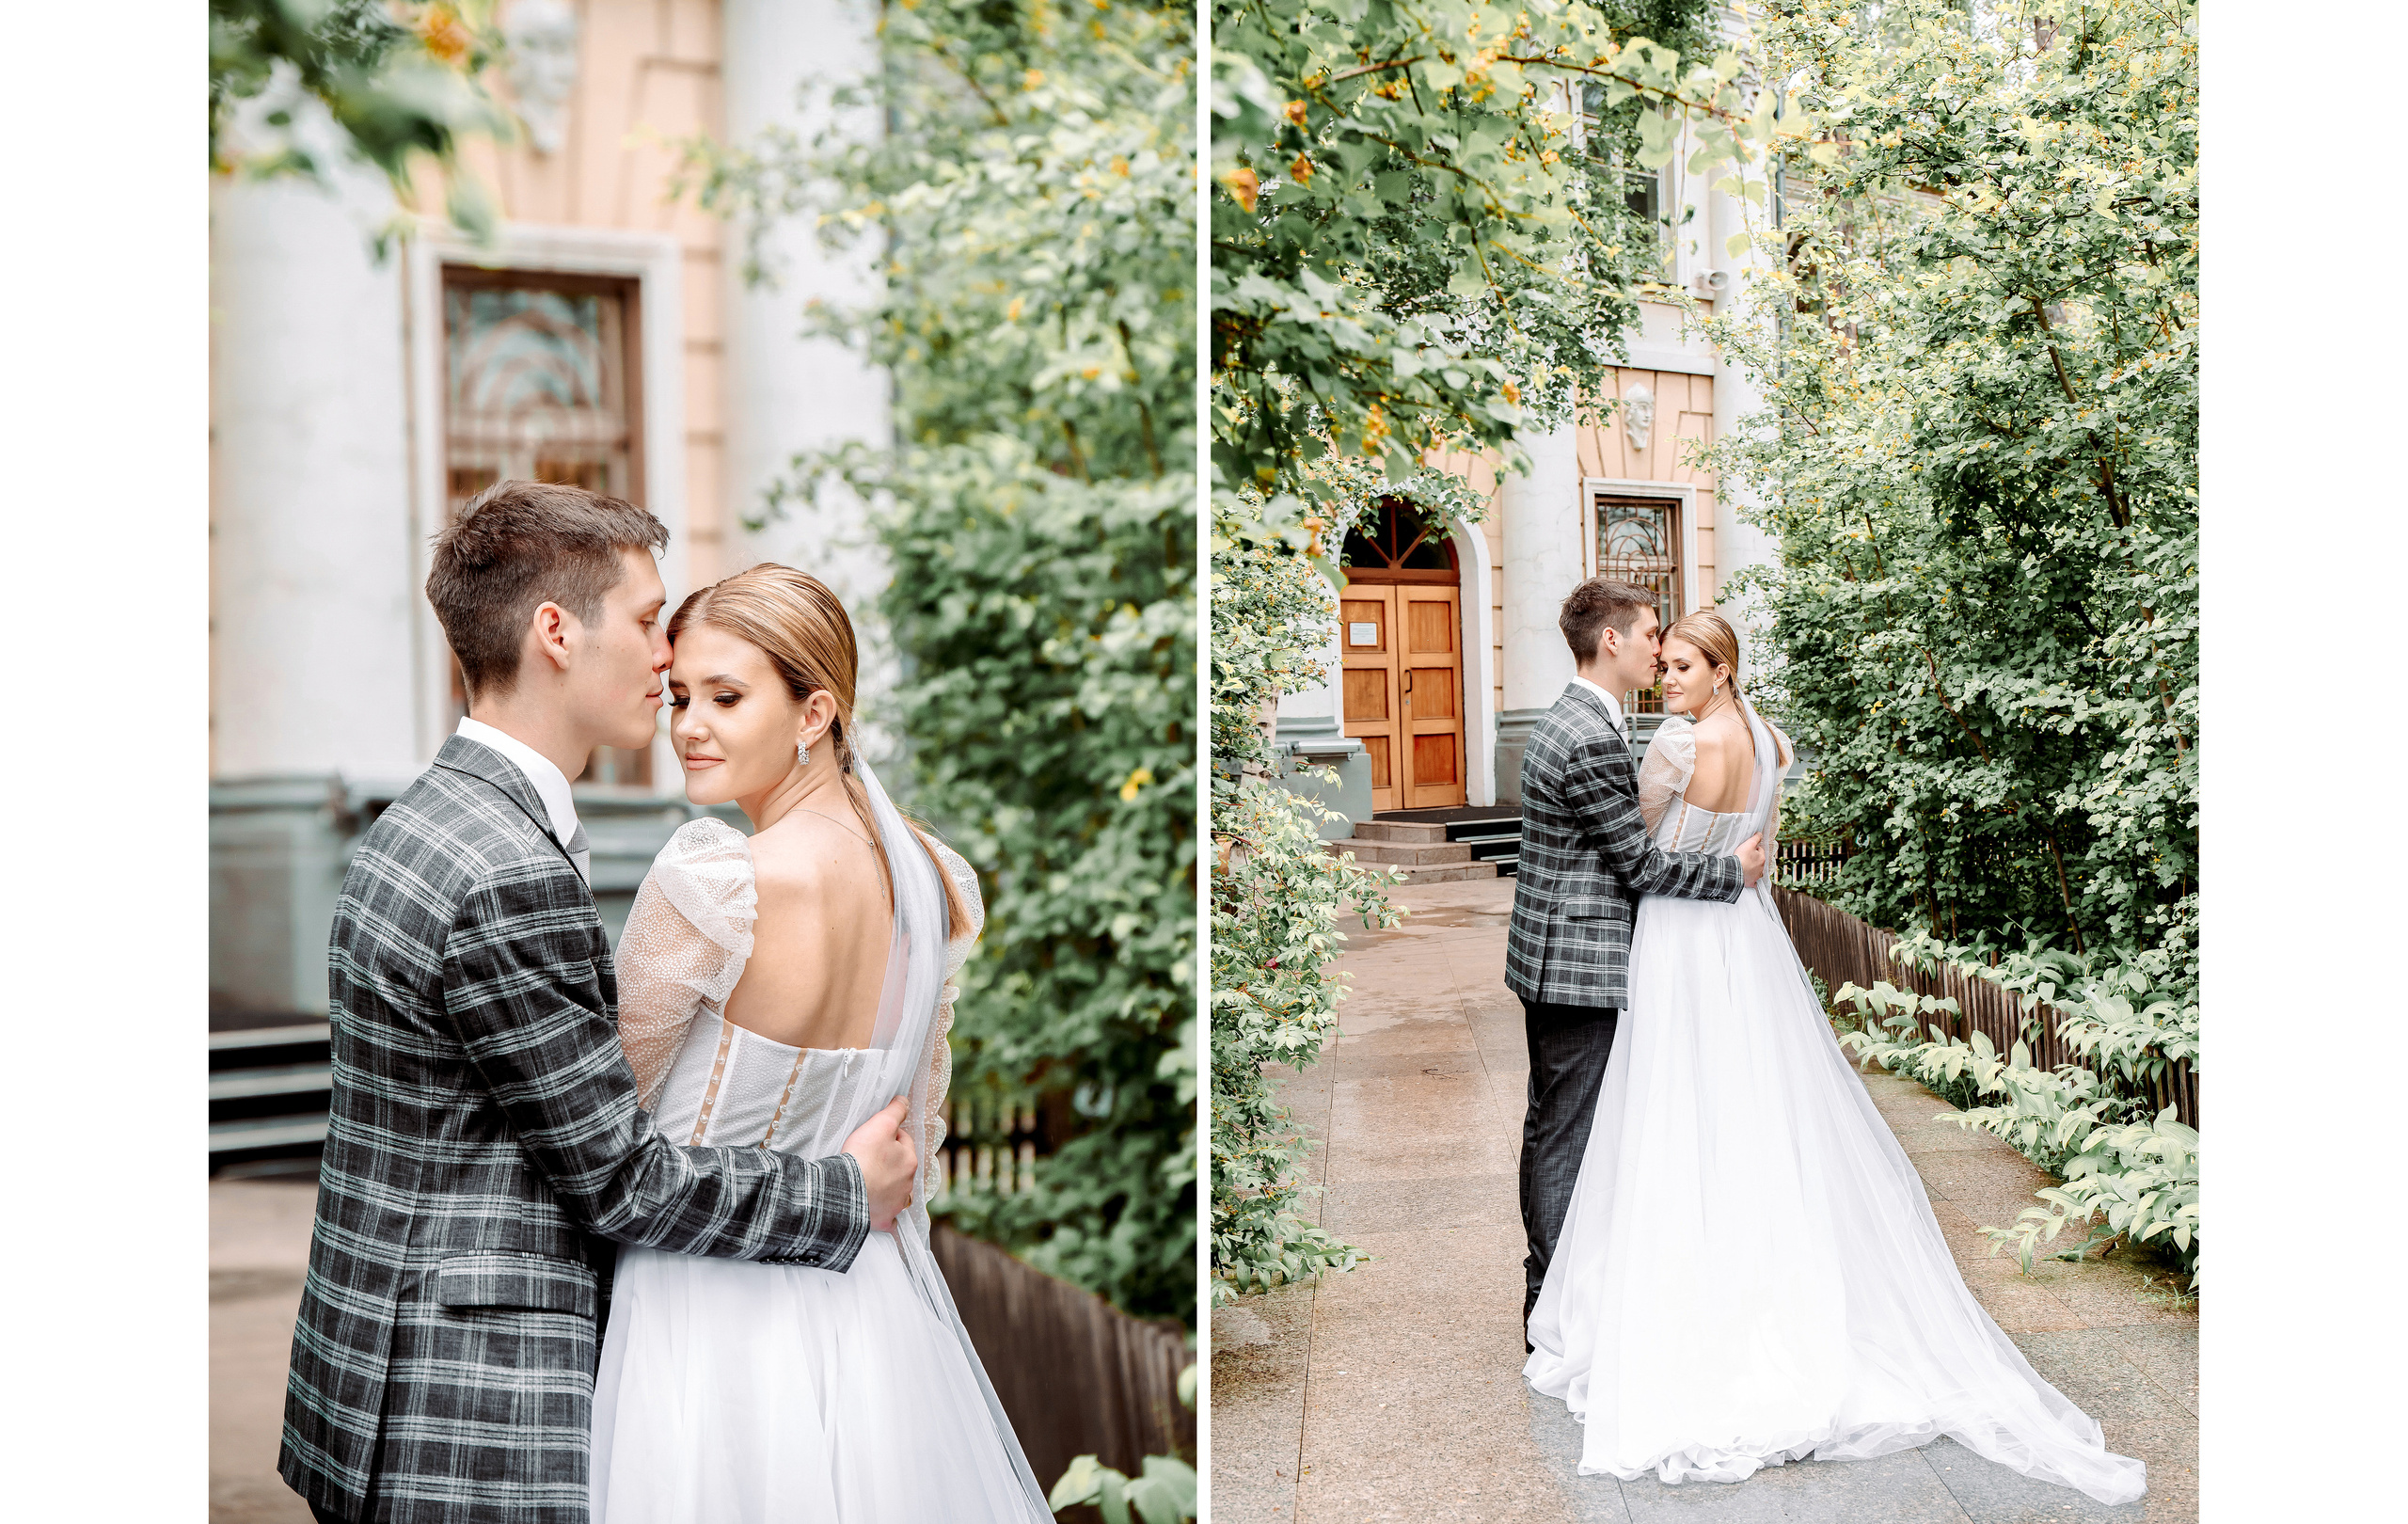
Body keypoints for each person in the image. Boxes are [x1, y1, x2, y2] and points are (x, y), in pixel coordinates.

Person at [279, 483, 923, 1524]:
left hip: (381, 1370)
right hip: (467, 1405)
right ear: (555, 633)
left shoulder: (430, 819)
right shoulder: (504, 869)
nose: (666, 657)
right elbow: (622, 1180)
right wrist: (847, 1193)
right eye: (643, 621)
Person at [1521, 611, 2147, 1505]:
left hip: (1681, 941)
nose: (1667, 672)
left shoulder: (1674, 743)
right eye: (1664, 660)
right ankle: (1774, 1274)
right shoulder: (1771, 741)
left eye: (1683, 662)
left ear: (1720, 669)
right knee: (1760, 1104)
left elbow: (1642, 854)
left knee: (1673, 1107)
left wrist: (1713, 860)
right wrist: (1740, 868)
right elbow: (1756, 856)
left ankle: (1681, 1287)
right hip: (1750, 941)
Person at [587, 564, 1052, 1522]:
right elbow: (914, 1139)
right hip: (868, 1308)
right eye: (679, 695)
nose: (687, 725)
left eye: (725, 696)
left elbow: (600, 1130)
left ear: (814, 711)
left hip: (699, 1308)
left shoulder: (713, 883)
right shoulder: (932, 882)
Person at [1504, 579, 1763, 1341]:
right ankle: (1549, 1307)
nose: (1659, 647)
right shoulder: (1587, 735)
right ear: (1611, 640)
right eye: (1652, 633)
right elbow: (1640, 866)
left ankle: (1557, 1293)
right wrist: (1732, 875)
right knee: (1565, 1132)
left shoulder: (1588, 719)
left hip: (1560, 956)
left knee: (1557, 1123)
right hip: (1575, 965)